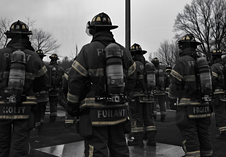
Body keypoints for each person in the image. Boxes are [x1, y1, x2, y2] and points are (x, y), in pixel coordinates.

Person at [66, 12, 135, 157]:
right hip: (119, 109)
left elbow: (75, 80)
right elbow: (133, 77)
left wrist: (72, 105)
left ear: (93, 30)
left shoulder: (87, 50)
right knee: (120, 147)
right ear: (110, 29)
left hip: (94, 111)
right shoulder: (123, 51)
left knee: (97, 150)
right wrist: (123, 95)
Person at [0, 20, 48, 157]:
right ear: (27, 37)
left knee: (0, 139)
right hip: (25, 104)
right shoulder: (35, 57)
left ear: (10, 36)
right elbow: (44, 81)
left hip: (1, 102)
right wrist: (29, 90)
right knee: (20, 140)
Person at [169, 34, 213, 157]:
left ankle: (193, 154)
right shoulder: (203, 61)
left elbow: (174, 84)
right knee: (204, 133)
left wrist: (172, 100)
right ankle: (207, 154)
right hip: (204, 104)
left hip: (187, 106)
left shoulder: (181, 62)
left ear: (182, 47)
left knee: (190, 133)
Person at [127, 43, 157, 147]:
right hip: (149, 96)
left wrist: (127, 92)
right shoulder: (148, 64)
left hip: (136, 96)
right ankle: (152, 140)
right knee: (149, 118)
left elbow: (130, 80)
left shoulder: (134, 65)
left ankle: (138, 141)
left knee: (137, 118)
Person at [34, 49, 50, 130]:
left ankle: (37, 122)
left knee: (36, 107)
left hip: (35, 91)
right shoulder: (47, 66)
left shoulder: (32, 65)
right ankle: (42, 120)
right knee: (42, 107)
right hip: (45, 91)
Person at [47, 53, 65, 123]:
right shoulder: (61, 69)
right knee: (61, 101)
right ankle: (70, 112)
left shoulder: (47, 68)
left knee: (52, 103)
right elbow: (63, 80)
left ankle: (52, 119)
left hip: (50, 89)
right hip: (59, 89)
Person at [151, 57, 167, 122]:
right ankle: (163, 116)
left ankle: (154, 115)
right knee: (162, 103)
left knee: (154, 102)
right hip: (162, 89)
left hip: (155, 89)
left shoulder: (152, 70)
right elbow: (166, 79)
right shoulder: (162, 70)